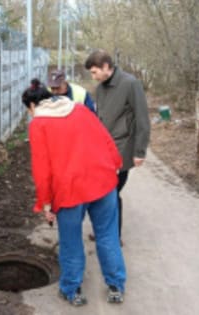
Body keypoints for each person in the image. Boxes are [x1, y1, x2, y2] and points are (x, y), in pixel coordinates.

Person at [22, 79, 126, 306]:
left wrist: (46, 203)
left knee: (71, 241)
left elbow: (42, 170)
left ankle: (71, 289)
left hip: (70, 191)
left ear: (32, 107)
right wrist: (115, 165)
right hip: (103, 182)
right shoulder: (79, 109)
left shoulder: (38, 124)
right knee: (108, 235)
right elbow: (106, 139)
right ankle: (116, 285)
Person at [85, 49, 150, 243]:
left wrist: (140, 151)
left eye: (95, 72)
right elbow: (100, 118)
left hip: (122, 150)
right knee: (103, 192)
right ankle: (105, 233)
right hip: (102, 150)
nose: (93, 76)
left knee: (111, 193)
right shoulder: (101, 87)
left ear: (106, 67)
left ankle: (112, 237)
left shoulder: (131, 84)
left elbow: (142, 119)